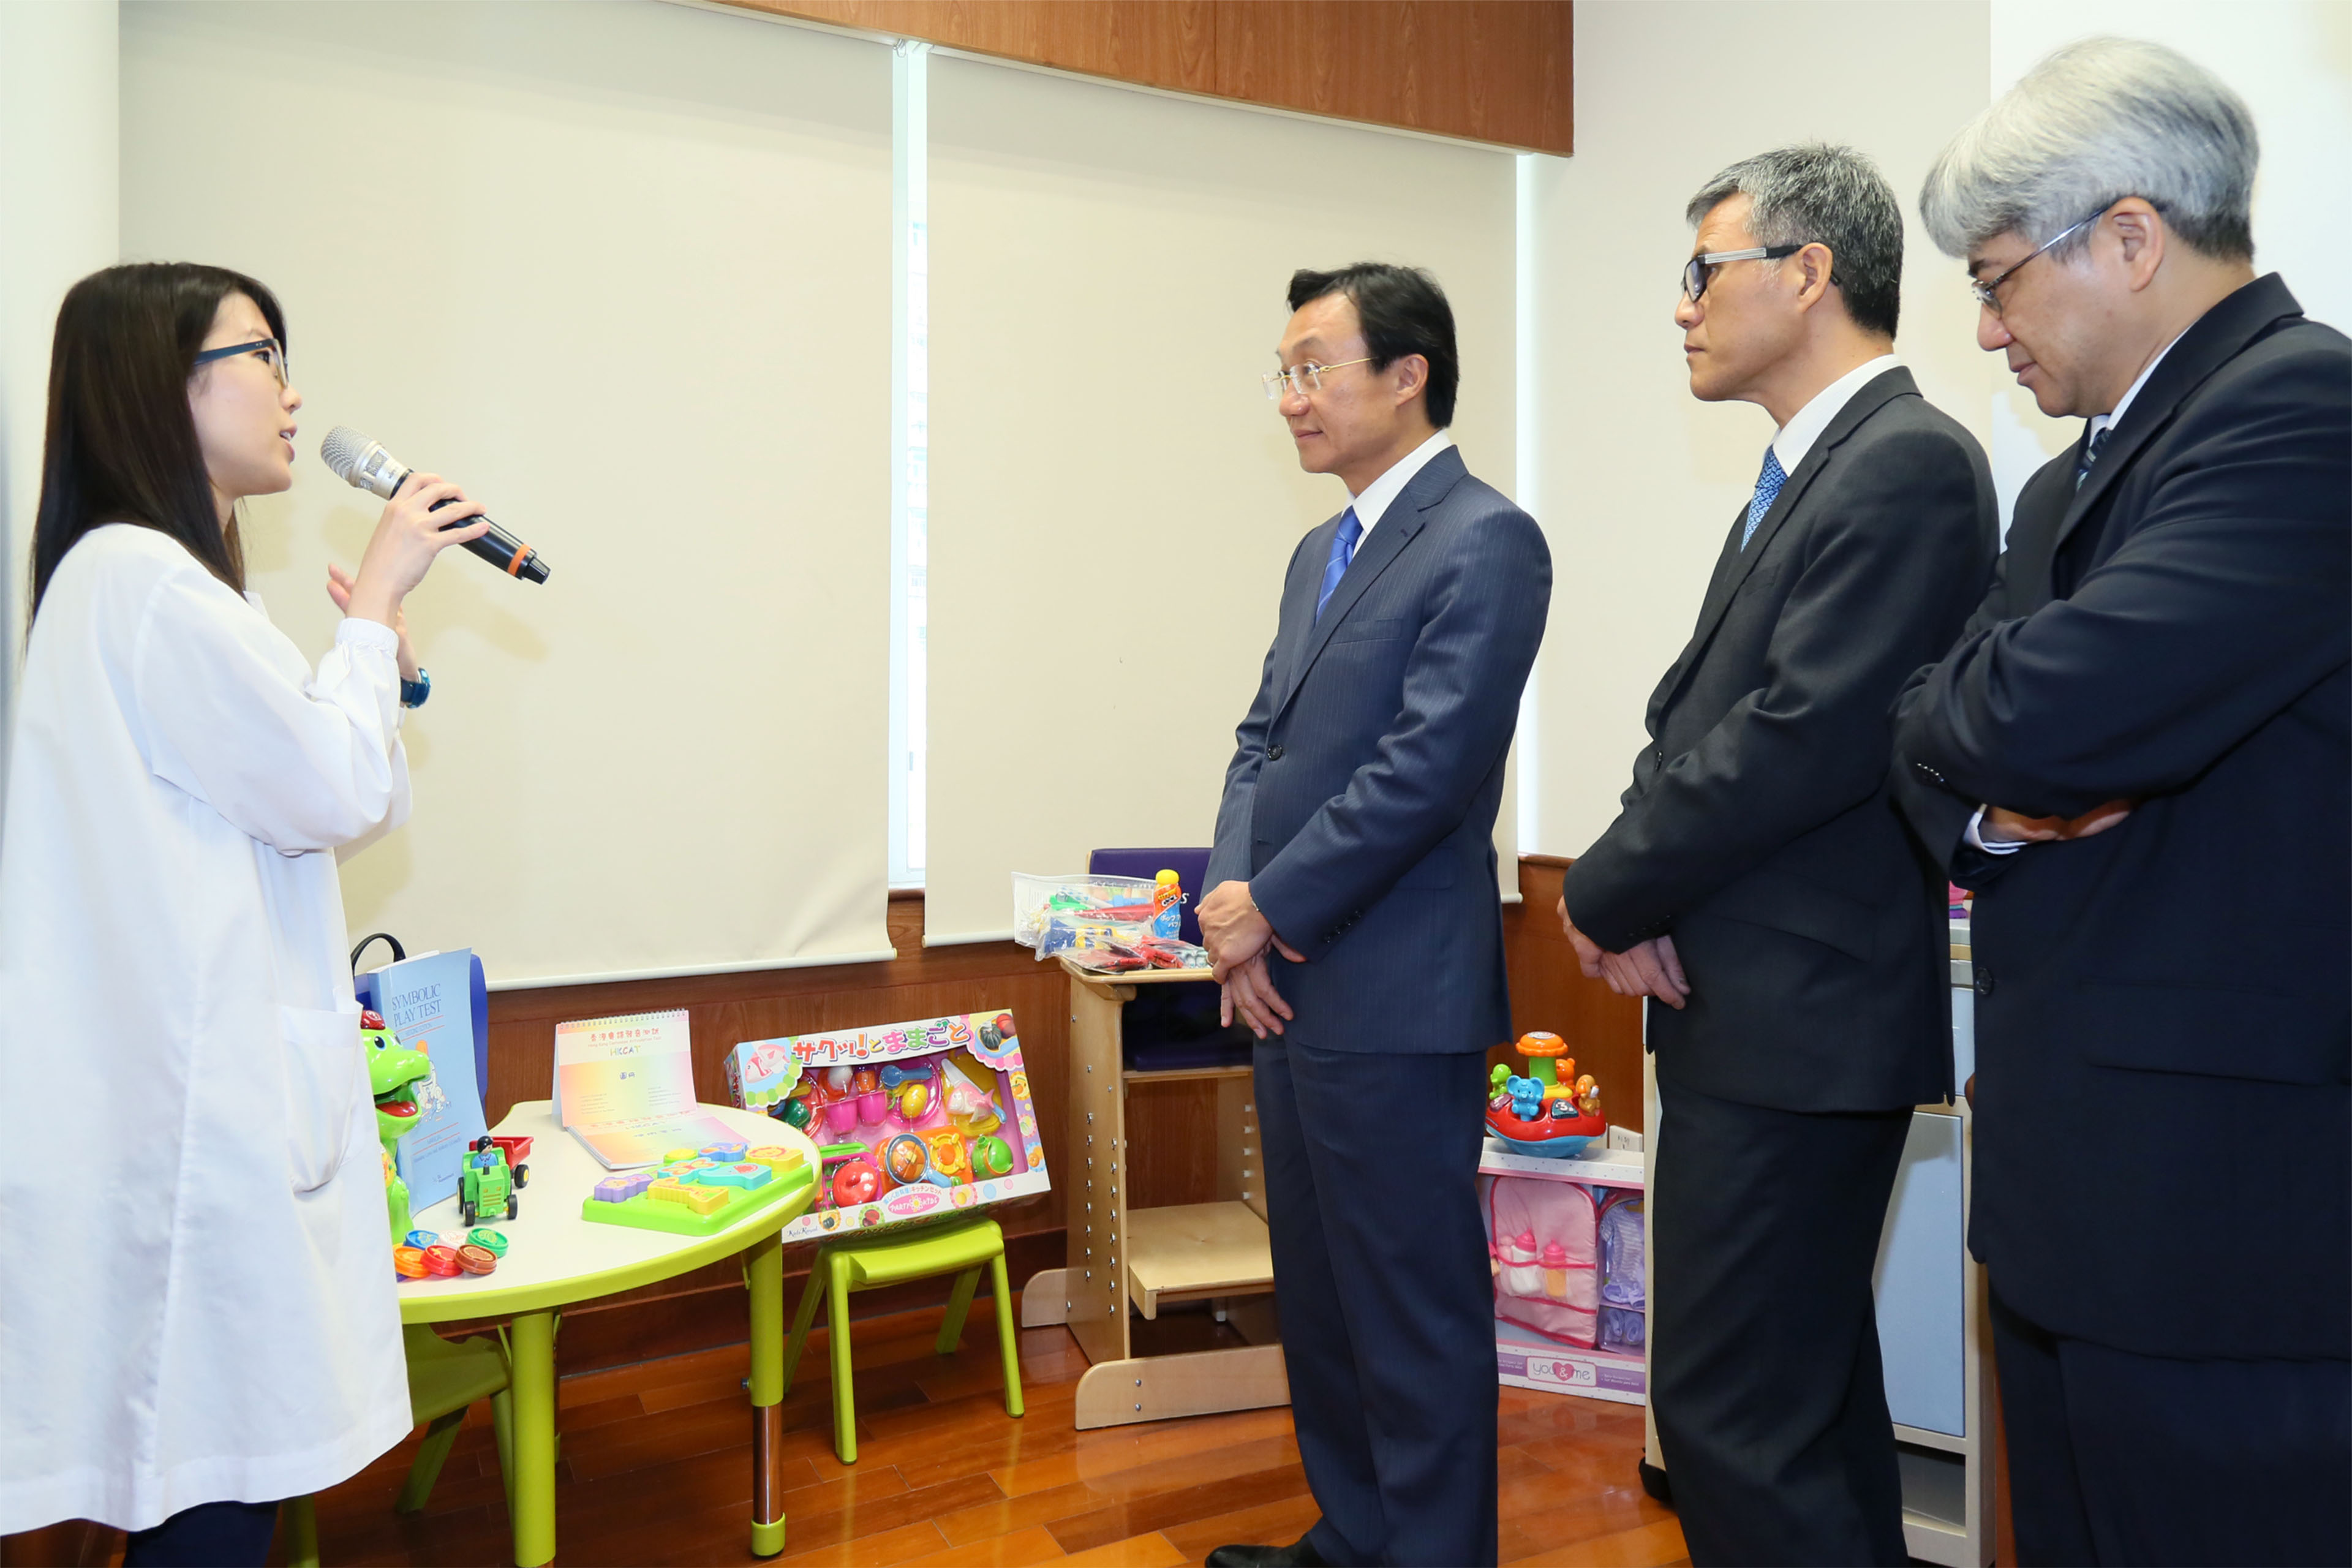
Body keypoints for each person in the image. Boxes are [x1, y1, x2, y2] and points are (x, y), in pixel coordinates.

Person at [1895, 38, 2350, 1567]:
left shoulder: (2305, 411)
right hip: (2081, 1198)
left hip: (2228, 1225)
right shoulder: (2066, 480)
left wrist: (1998, 739)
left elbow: (2033, 714)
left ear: (2133, 237)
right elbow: (1927, 732)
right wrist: (1998, 794)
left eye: (1999, 278)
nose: (1987, 327)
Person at [0, 263, 492, 1563]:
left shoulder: (161, 586)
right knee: (215, 1493)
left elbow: (325, 783)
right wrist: (372, 608)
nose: (293, 392)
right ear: (164, 384)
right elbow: (330, 787)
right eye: (264, 354)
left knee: (219, 1483)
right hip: (201, 1123)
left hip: (209, 1109)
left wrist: (383, 667)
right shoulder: (143, 583)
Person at [1554, 146, 1997, 1565]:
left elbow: (1804, 736)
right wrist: (1639, 886)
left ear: (1808, 273)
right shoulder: (1810, 468)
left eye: (1704, 269)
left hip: (1801, 1022)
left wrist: (1605, 887)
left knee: (1735, 1413)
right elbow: (1692, 718)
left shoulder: (1906, 459)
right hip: (1757, 1011)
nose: (1681, 305)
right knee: (1797, 1404)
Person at [1196, 263, 1549, 1568]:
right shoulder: (1319, 552)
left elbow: (1428, 767)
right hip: (1287, 986)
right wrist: (1231, 908)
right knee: (1325, 1298)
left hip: (1396, 992)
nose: (1291, 397)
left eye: (1314, 368)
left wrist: (1271, 906)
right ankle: (1354, 1536)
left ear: (1408, 375)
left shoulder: (1486, 536)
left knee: (1413, 1310)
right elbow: (1261, 742)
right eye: (1283, 373)